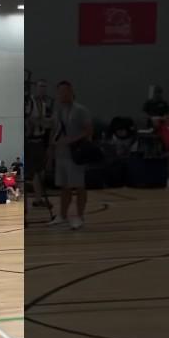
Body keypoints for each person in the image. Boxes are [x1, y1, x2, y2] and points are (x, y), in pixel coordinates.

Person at [47, 80, 92, 230]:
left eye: (65, 91)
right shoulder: (58, 111)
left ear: (71, 92)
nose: (62, 94)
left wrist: (71, 140)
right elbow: (54, 130)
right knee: (64, 187)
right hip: (61, 154)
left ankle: (80, 216)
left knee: (79, 186)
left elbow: (88, 131)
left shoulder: (80, 110)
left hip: (75, 154)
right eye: (60, 92)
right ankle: (62, 215)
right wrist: (51, 150)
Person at [25, 79, 54, 208]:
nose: (43, 90)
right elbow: (29, 120)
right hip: (30, 141)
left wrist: (42, 122)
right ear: (35, 88)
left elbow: (47, 123)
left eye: (45, 87)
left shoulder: (43, 104)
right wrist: (40, 122)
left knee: (40, 171)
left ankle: (38, 198)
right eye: (40, 86)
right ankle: (35, 199)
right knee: (33, 171)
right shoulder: (29, 102)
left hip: (39, 140)